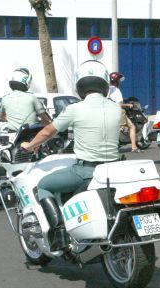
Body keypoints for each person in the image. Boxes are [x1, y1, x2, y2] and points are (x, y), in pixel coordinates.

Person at [20, 60, 121, 249]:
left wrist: (30, 145)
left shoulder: (75, 109)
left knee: (43, 186)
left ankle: (59, 234)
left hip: (86, 171)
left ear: (80, 85)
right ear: (105, 83)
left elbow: (48, 131)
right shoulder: (115, 108)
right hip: (113, 169)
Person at [108, 72, 140, 153]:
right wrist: (128, 105)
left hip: (108, 112)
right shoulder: (116, 90)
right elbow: (119, 105)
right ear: (117, 81)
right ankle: (134, 147)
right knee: (132, 127)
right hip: (117, 113)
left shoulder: (107, 90)